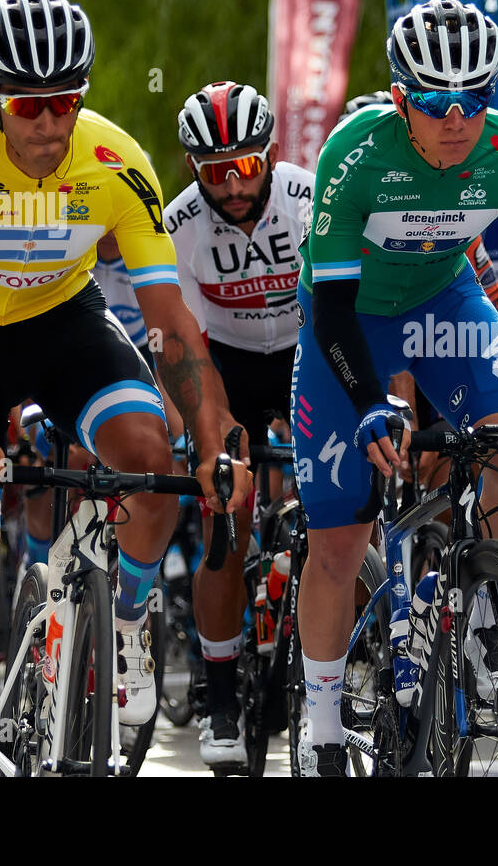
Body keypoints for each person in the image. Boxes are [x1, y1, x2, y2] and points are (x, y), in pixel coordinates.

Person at [0, 0, 237, 777]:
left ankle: (124, 621)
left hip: (65, 325)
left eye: (66, 102)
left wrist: (211, 433)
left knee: (152, 467)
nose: (50, 124)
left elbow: (169, 322)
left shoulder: (118, 163)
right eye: (29, 105)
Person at [293, 0, 498, 775]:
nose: (457, 118)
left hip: (446, 300)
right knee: (339, 537)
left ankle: (481, 621)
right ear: (402, 99)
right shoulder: (356, 154)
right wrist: (373, 399)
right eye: (437, 103)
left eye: (475, 99)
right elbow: (334, 307)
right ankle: (322, 723)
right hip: (352, 317)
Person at [167, 80, 312, 771]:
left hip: (303, 348)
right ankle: (221, 694)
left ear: (272, 155)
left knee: (342, 502)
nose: (231, 186)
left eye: (245, 168)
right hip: (224, 360)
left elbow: (345, 304)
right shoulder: (180, 225)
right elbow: (184, 347)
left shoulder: (310, 199)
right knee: (227, 515)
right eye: (213, 173)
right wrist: (209, 431)